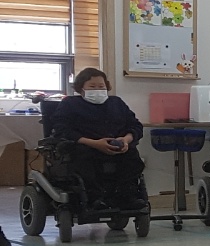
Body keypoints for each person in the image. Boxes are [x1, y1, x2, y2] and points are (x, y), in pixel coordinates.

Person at [49, 68, 147, 207]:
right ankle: (95, 199)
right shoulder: (70, 104)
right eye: (92, 86)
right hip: (86, 146)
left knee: (132, 158)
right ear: (81, 88)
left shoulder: (116, 103)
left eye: (101, 86)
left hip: (118, 146)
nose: (98, 90)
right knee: (83, 158)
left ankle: (127, 196)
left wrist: (126, 140)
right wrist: (94, 143)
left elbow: (135, 125)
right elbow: (61, 128)